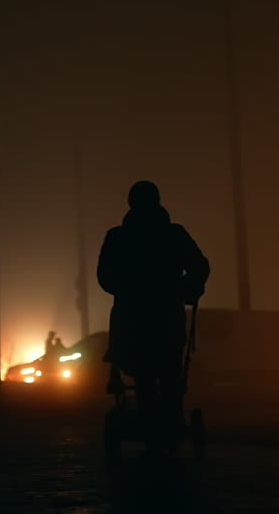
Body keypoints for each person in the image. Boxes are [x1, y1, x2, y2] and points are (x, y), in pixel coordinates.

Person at [98, 180, 209, 455]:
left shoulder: (118, 237)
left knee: (143, 373)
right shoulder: (173, 235)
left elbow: (105, 276)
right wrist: (186, 289)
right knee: (170, 371)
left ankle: (150, 422)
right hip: (165, 315)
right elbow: (199, 265)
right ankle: (170, 420)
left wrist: (125, 288)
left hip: (131, 317)